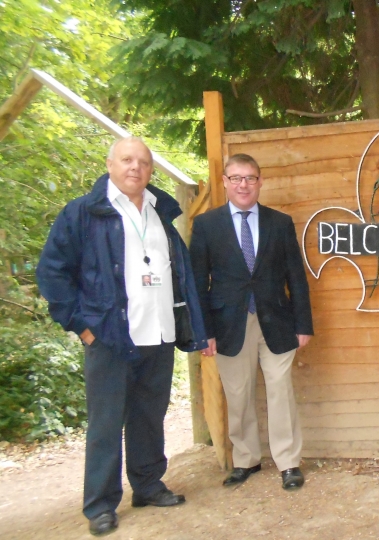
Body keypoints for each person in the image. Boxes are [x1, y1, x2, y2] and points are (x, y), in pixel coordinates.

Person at [36, 137, 209, 537]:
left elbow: (178, 276)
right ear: (110, 164)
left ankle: (147, 486)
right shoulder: (83, 213)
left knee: (149, 417)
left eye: (144, 162)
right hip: (110, 338)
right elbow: (52, 273)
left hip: (159, 333)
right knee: (106, 423)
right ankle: (100, 504)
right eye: (127, 160)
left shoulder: (160, 214)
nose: (136, 168)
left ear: (151, 170)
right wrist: (81, 325)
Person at [190, 153, 313, 491]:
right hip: (228, 324)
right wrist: (203, 333)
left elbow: (296, 278)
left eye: (250, 178)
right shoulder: (206, 225)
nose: (243, 184)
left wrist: (303, 323)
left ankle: (288, 462)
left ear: (260, 181)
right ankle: (246, 460)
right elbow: (197, 283)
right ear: (225, 183)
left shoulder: (280, 222)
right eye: (236, 178)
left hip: (277, 321)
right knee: (239, 393)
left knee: (280, 391)